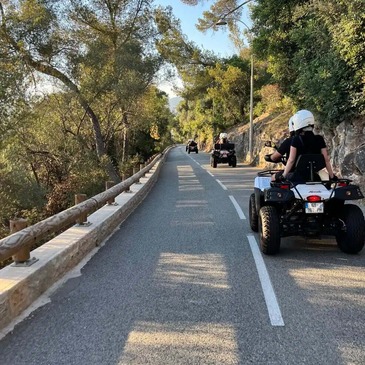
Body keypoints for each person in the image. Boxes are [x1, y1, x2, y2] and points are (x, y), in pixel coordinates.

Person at [275, 110, 336, 182]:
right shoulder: (319, 139)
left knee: (274, 179)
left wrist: (284, 175)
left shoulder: (296, 139)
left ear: (297, 123)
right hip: (315, 176)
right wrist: (332, 176)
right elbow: (326, 160)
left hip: (297, 176)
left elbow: (291, 160)